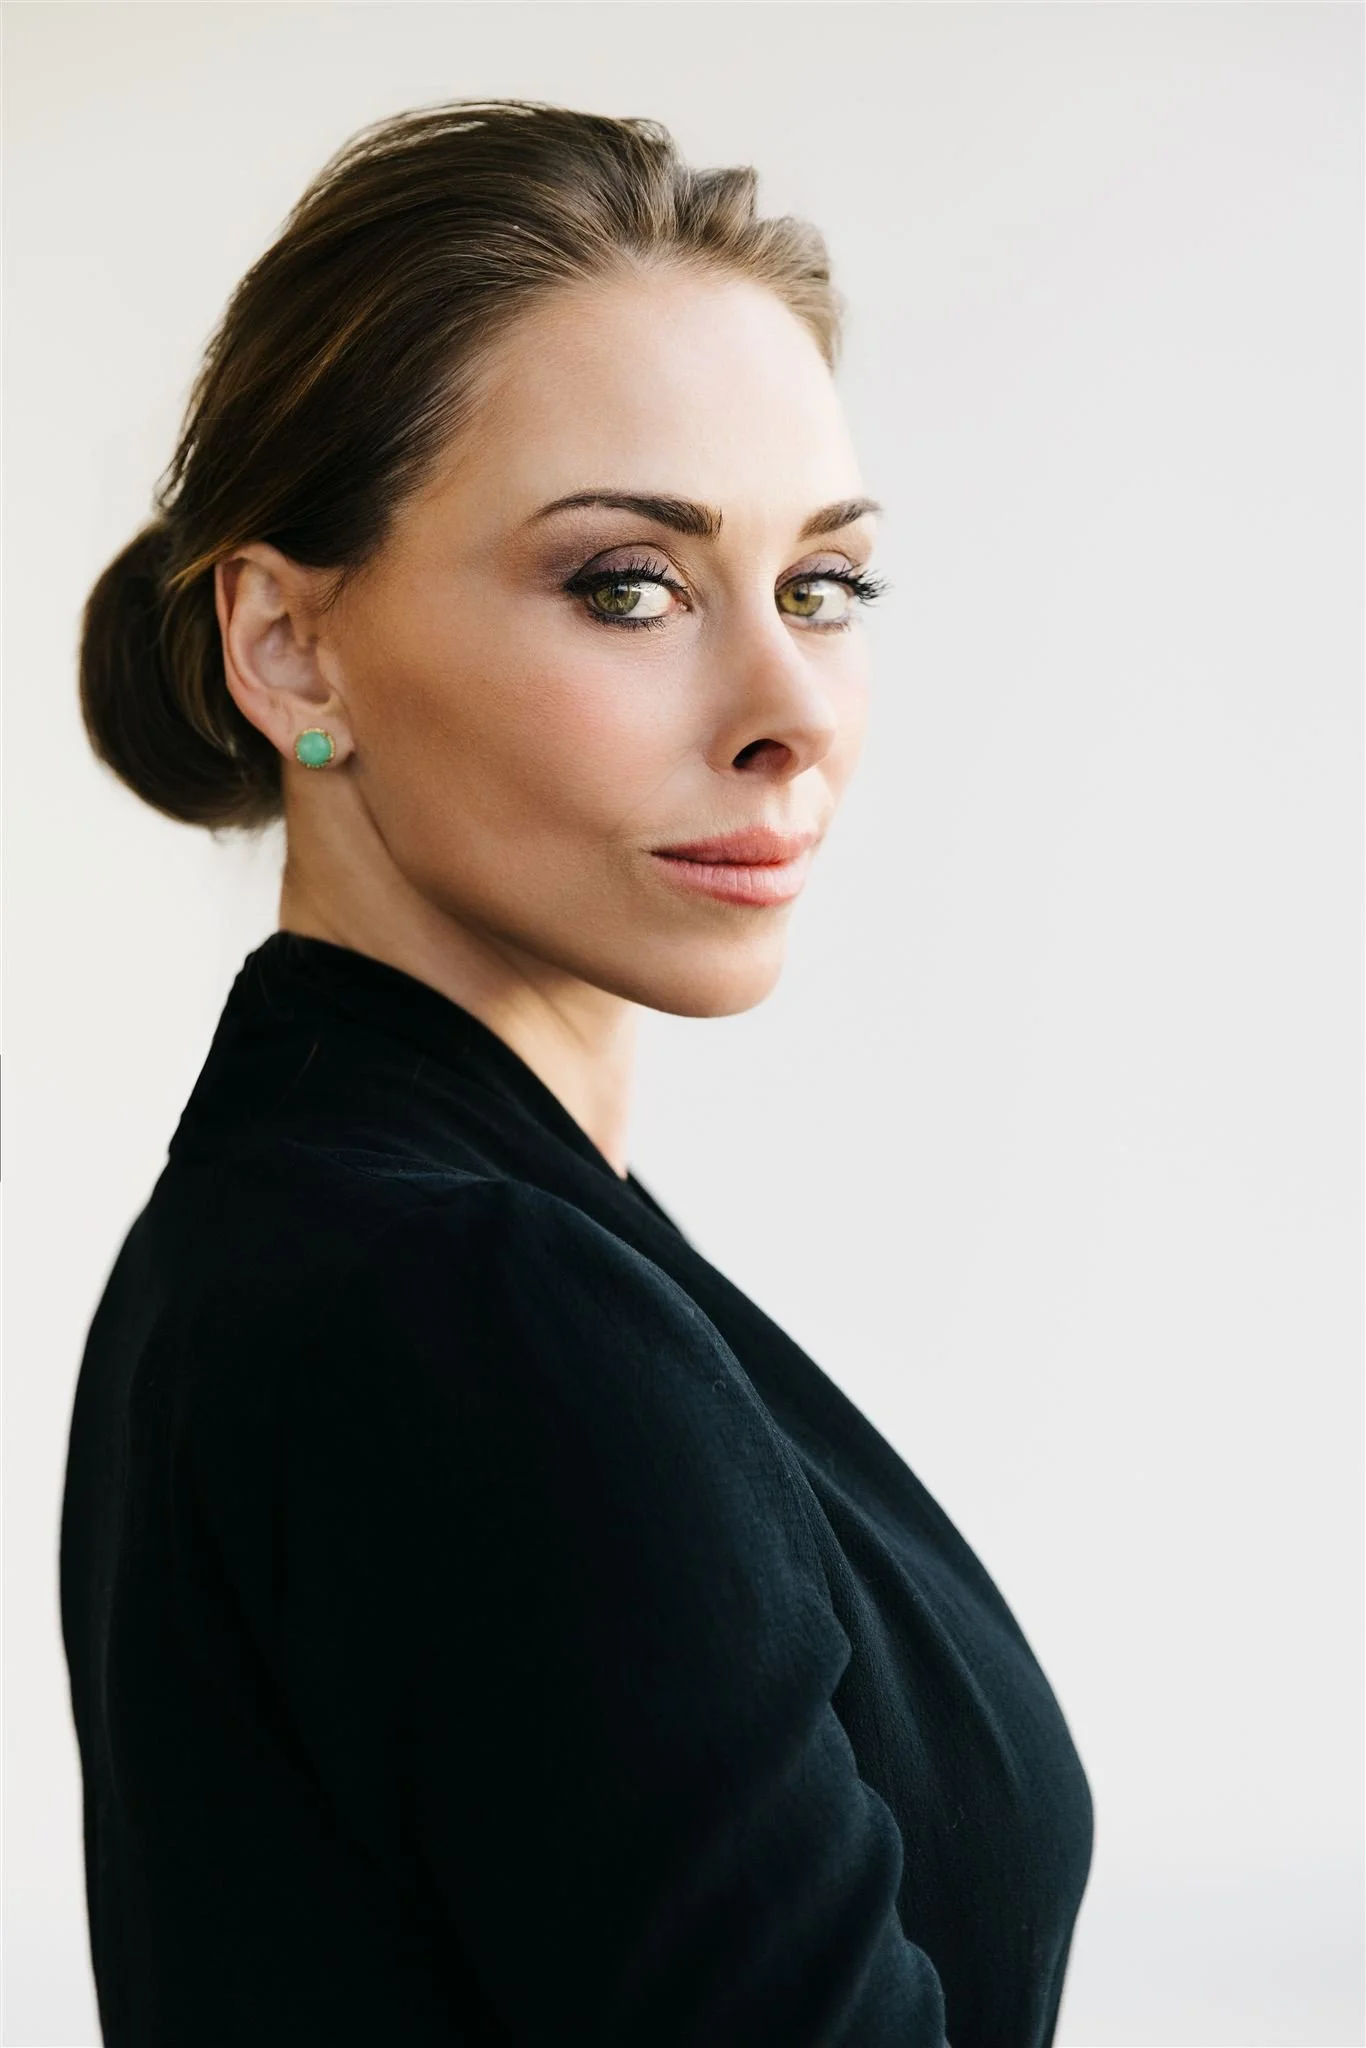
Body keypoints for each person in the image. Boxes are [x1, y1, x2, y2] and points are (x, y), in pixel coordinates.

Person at [61, 99, 1093, 2047]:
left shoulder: (309, 1240)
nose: (789, 714)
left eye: (822, 586)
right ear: (289, 650)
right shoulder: (461, 1310)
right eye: (628, 582)